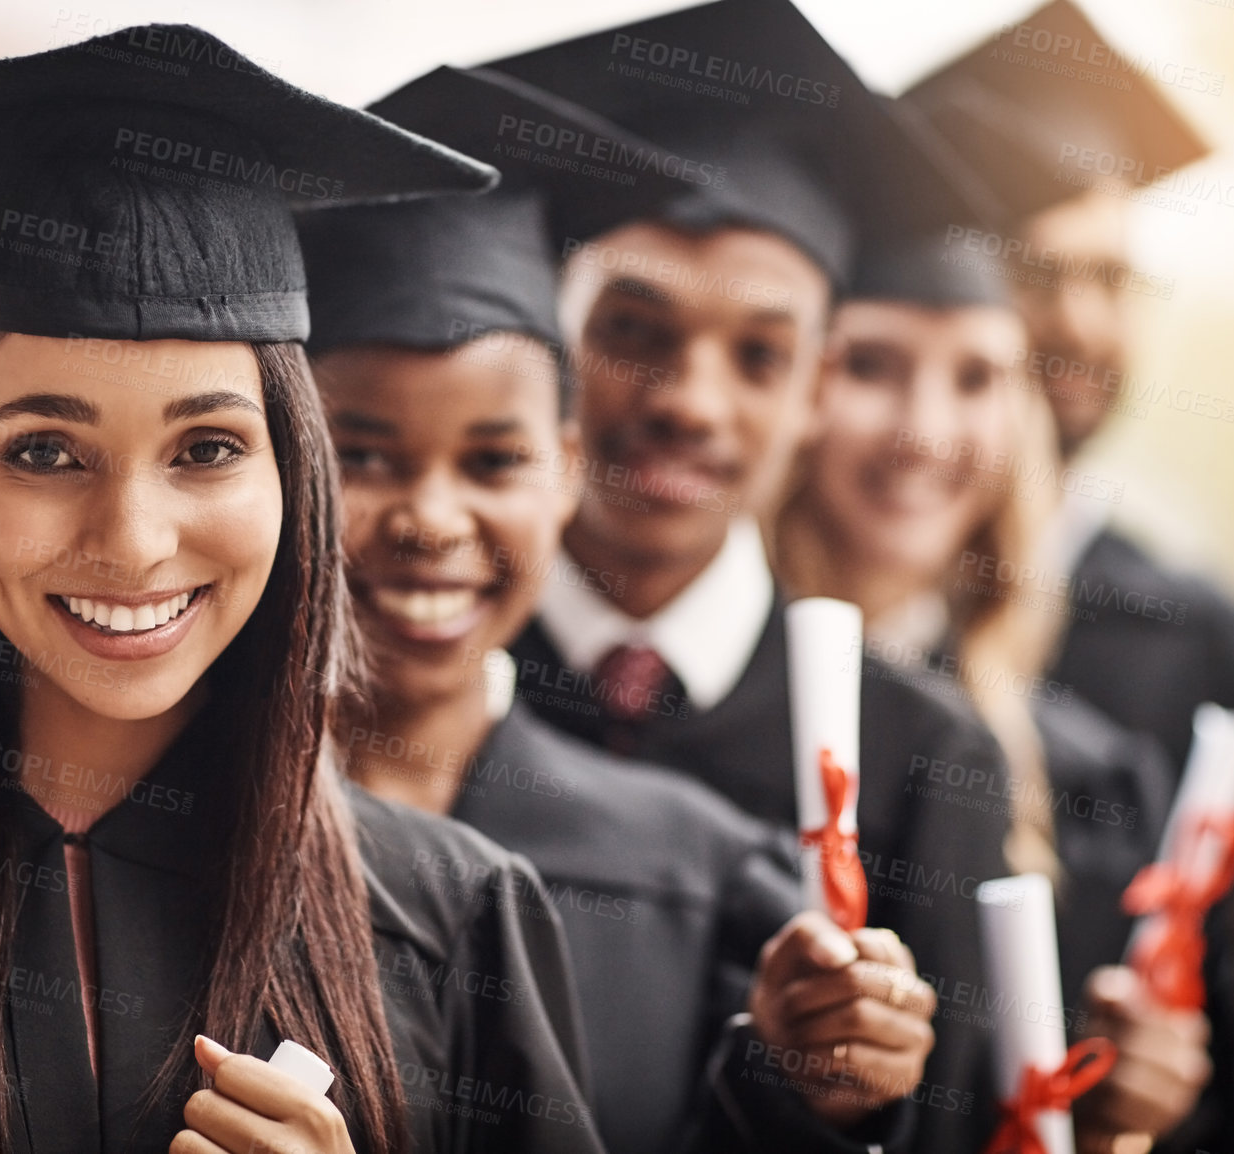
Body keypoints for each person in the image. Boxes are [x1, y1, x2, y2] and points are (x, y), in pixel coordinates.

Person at [0, 26, 604, 1154]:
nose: (135, 541)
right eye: (43, 449)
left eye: (207, 447)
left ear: (294, 476)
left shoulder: (458, 917)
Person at [300, 63, 941, 1154]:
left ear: (559, 469)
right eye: (359, 453)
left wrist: (801, 1091)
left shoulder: (699, 870)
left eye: (494, 460)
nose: (430, 517)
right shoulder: (157, 817)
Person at [486, 2, 1019, 1150]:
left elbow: (965, 1125)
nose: (689, 399)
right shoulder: (434, 683)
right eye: (636, 328)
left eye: (758, 354)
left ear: (819, 386)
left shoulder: (923, 758)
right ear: (550, 339)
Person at [905, 4, 1234, 1150]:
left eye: (1113, 280)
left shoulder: (1214, 644)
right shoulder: (848, 596)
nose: (1078, 319)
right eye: (1036, 272)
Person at [766, 229, 1194, 1153]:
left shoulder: (1091, 778)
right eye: (872, 365)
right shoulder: (683, 717)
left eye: (977, 379)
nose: (924, 434)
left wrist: (1128, 1115)